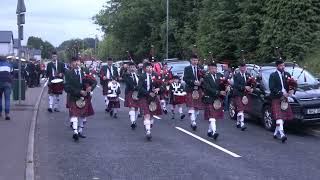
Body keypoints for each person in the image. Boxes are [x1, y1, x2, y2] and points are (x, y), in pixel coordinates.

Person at [64, 57, 97, 142]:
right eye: (74, 62)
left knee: (83, 115)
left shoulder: (84, 72)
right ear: (71, 64)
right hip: (74, 97)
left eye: (77, 61)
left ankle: (80, 131)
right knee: (74, 114)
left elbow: (94, 82)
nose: (76, 63)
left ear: (80, 62)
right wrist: (79, 92)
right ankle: (75, 132)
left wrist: (90, 88)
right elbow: (66, 87)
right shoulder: (68, 73)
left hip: (84, 97)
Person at [269, 59, 294, 143]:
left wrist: (292, 90)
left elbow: (292, 85)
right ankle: (282, 134)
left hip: (285, 98)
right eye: (281, 66)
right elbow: (271, 88)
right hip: (276, 98)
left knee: (282, 117)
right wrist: (281, 93)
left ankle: (276, 132)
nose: (283, 67)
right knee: (278, 116)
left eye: (283, 65)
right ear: (277, 66)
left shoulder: (287, 74)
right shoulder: (273, 75)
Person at [203, 62, 228, 140]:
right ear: (209, 69)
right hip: (209, 98)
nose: (214, 70)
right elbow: (207, 88)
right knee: (212, 116)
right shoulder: (206, 77)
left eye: (215, 68)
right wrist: (218, 92)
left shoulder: (220, 76)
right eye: (212, 69)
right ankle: (214, 132)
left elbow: (224, 84)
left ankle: (209, 131)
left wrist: (226, 88)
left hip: (217, 99)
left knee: (214, 117)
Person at [138, 62, 162, 140]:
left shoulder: (156, 76)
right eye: (148, 67)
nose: (150, 69)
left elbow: (161, 85)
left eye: (151, 67)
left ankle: (148, 125)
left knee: (151, 115)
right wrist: (148, 93)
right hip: (144, 97)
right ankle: (148, 132)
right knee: (147, 114)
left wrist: (159, 89)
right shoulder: (142, 76)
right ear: (145, 69)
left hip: (153, 98)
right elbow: (140, 88)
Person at [183, 54, 205, 131]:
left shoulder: (200, 68)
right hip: (190, 89)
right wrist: (193, 82)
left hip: (198, 89)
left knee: (197, 108)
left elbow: (203, 77)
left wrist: (201, 81)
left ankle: (193, 120)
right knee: (192, 106)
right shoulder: (187, 68)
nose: (195, 62)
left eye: (196, 60)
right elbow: (185, 78)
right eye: (193, 60)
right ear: (190, 60)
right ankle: (193, 122)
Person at [233, 62, 253, 131]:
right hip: (238, 94)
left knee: (242, 109)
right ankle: (242, 124)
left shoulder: (248, 75)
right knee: (241, 109)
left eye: (244, 67)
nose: (243, 69)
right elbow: (236, 85)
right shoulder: (236, 75)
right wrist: (244, 87)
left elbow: (251, 83)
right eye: (242, 67)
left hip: (245, 95)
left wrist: (251, 88)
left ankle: (238, 122)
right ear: (239, 68)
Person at [124, 62, 140, 129]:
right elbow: (128, 83)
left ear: (135, 68)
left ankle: (134, 121)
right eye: (131, 67)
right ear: (129, 68)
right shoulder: (126, 75)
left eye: (133, 67)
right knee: (132, 107)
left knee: (137, 108)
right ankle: (133, 122)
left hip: (138, 93)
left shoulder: (139, 75)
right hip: (130, 92)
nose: (132, 68)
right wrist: (135, 87)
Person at [0, 55, 13, 120]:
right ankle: (7, 114)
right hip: (8, 83)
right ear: (5, 59)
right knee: (7, 99)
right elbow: (11, 73)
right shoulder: (9, 65)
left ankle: (0, 112)